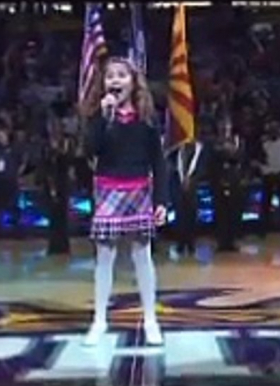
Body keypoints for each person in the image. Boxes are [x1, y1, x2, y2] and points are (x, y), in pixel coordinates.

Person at [81, 57, 168, 346]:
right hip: (108, 191)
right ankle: (99, 320)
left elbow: (158, 160)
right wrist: (102, 119)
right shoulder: (98, 115)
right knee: (104, 257)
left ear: (133, 82)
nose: (115, 81)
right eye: (110, 76)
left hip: (139, 190)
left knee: (142, 256)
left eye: (121, 75)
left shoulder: (146, 118)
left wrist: (161, 200)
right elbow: (90, 151)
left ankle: (151, 319)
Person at [169, 138, 208, 257]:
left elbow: (204, 168)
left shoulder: (202, 150)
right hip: (178, 187)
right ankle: (180, 243)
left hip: (194, 188)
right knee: (180, 216)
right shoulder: (176, 150)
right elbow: (171, 165)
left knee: (192, 215)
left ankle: (191, 244)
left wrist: (191, 179)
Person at [210, 123, 244, 252]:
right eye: (223, 127)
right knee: (220, 214)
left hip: (234, 183)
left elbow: (239, 158)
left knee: (233, 213)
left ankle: (232, 241)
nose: (225, 130)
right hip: (218, 183)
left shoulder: (237, 141)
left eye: (227, 127)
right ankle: (221, 241)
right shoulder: (214, 144)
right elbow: (214, 161)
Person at [0, 124, 24, 239]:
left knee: (14, 207)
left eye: (2, 134)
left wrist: (17, 174)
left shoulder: (15, 149)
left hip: (11, 181)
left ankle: (16, 231)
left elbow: (21, 162)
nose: (0, 137)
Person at [42, 128, 71, 255]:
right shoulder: (49, 155)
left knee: (62, 218)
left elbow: (67, 165)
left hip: (62, 188)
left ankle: (63, 245)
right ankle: (55, 245)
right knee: (54, 218)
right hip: (53, 188)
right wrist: (52, 189)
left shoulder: (63, 155)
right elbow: (48, 173)